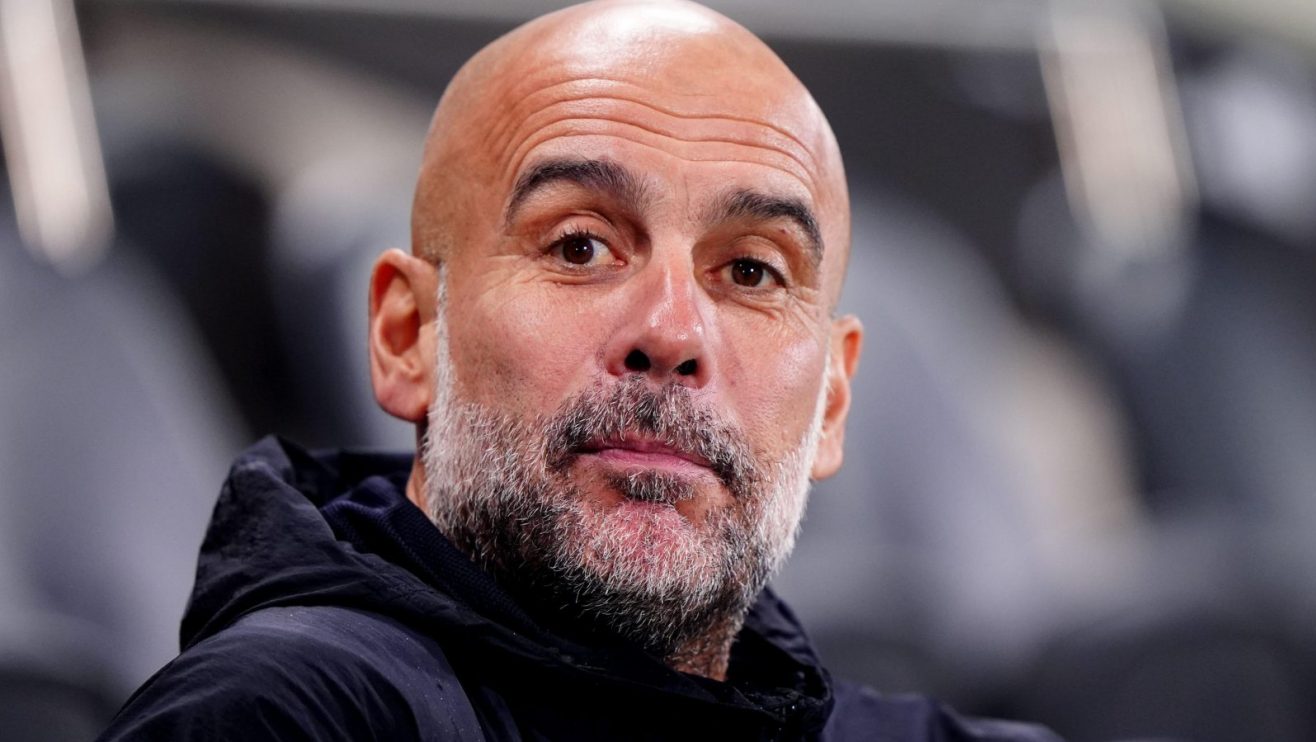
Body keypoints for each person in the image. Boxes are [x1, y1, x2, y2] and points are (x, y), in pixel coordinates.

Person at [99, 1, 1060, 739]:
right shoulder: (284, 718)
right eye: (580, 248)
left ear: (833, 405)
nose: (673, 331)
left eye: (752, 270)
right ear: (407, 336)